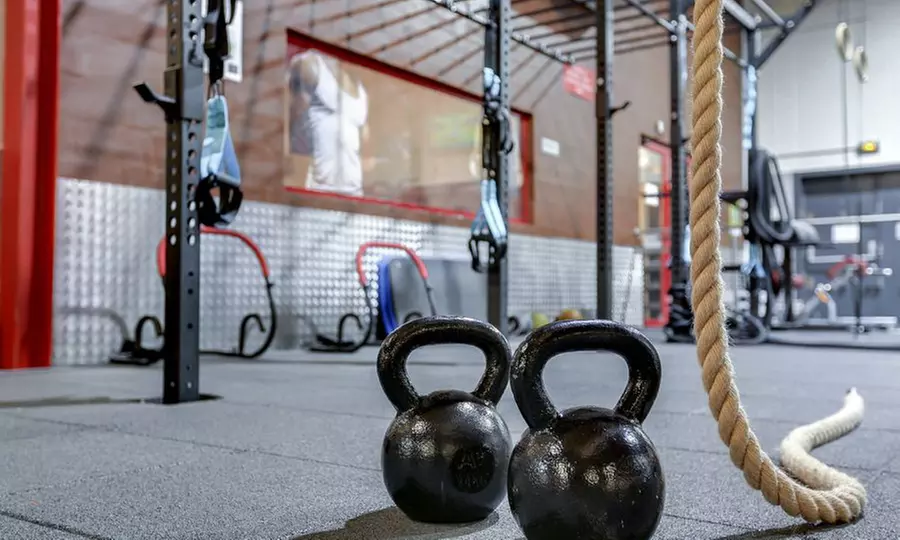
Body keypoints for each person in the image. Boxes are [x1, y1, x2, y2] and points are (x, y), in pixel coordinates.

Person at [287, 49, 371, 197]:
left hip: (355, 194)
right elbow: (291, 128)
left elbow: (364, 146)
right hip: (321, 192)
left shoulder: (362, 93)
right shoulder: (312, 66)